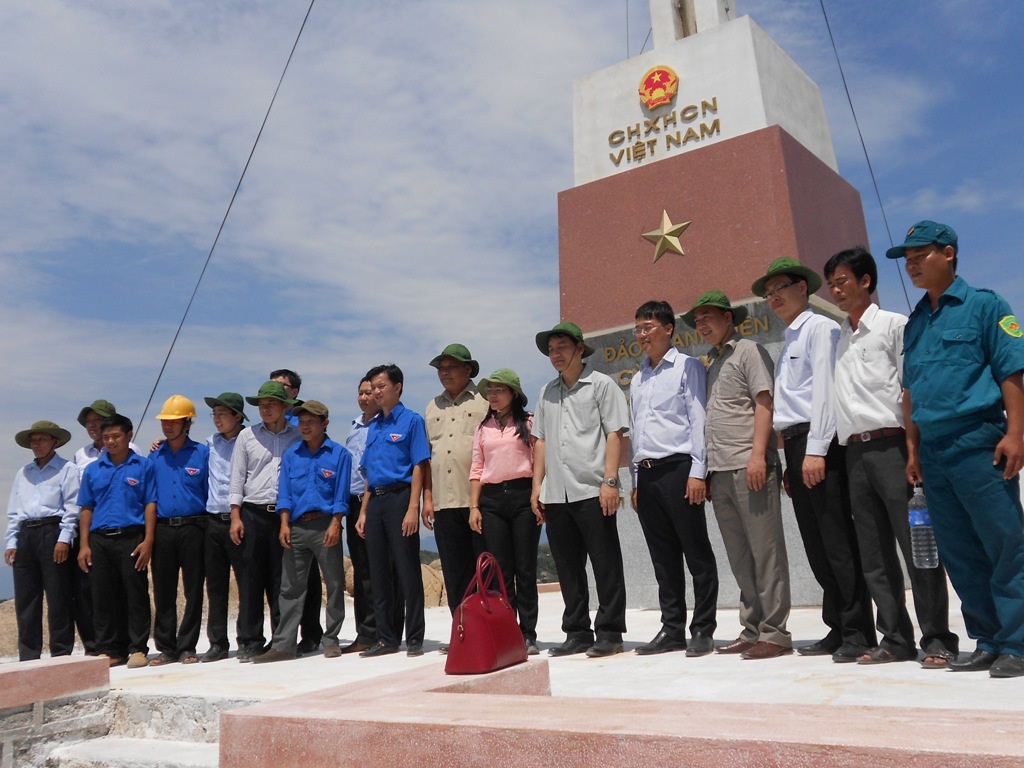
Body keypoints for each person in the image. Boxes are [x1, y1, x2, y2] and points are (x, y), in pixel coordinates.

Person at [889, 220, 1024, 678]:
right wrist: (913, 450)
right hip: (934, 452)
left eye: (919, 254)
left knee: (1005, 543)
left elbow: (1011, 372)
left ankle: (1018, 643)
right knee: (960, 552)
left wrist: (1017, 433)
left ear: (948, 253)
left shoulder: (985, 306)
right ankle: (987, 640)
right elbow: (911, 393)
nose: (910, 264)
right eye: (905, 258)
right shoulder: (915, 324)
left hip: (978, 442)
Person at [825, 246, 959, 669]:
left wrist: (913, 449)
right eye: (831, 283)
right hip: (855, 454)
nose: (835, 289)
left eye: (842, 280)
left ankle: (937, 638)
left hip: (893, 447)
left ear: (866, 281)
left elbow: (909, 388)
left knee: (917, 546)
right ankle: (896, 638)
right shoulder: (839, 336)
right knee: (874, 553)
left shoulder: (894, 326)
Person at [751, 257, 876, 662]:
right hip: (797, 445)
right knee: (817, 544)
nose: (774, 299)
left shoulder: (819, 329)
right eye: (769, 294)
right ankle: (838, 625)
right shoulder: (791, 337)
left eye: (780, 289)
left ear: (803, 288)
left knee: (837, 541)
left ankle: (859, 631)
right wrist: (793, 458)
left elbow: (824, 392)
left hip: (818, 442)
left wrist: (818, 450)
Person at [684, 291, 793, 659]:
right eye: (697, 320)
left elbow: (764, 401)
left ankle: (775, 633)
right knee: (740, 557)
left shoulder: (749, 351)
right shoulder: (711, 362)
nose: (702, 324)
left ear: (729, 318)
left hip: (751, 467)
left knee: (766, 552)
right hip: (720, 471)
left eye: (708, 316)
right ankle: (752, 629)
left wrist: (759, 455)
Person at [531, 321, 629, 658]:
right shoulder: (546, 392)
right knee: (568, 567)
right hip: (557, 494)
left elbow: (615, 433)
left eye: (561, 347)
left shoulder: (601, 385)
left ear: (580, 349)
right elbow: (540, 441)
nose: (555, 354)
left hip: (592, 489)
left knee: (605, 563)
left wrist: (610, 481)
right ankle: (577, 632)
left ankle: (610, 631)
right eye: (551, 350)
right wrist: (537, 487)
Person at [628, 301, 719, 657]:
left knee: (696, 553)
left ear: (668, 329)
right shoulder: (638, 379)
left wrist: (699, 471)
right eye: (638, 328)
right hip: (647, 476)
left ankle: (703, 629)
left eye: (648, 326)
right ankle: (672, 629)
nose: (642, 335)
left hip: (680, 470)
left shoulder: (688, 367)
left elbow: (698, 421)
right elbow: (636, 434)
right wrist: (636, 482)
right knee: (663, 559)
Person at [254, 401, 351, 662]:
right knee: (290, 588)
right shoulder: (292, 455)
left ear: (325, 424)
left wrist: (335, 524)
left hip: (325, 525)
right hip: (296, 526)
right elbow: (284, 493)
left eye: (311, 421)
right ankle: (284, 645)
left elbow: (341, 495)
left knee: (333, 583)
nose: (305, 426)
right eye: (301, 421)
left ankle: (331, 640)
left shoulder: (340, 455)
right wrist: (284, 523)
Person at [355, 364, 430, 658]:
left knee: (407, 569)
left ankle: (414, 637)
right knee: (379, 572)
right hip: (376, 502)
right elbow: (370, 475)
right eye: (372, 387)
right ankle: (387, 638)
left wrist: (414, 508)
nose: (375, 392)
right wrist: (363, 512)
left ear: (398, 387)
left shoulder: (411, 421)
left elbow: (420, 465)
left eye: (381, 386)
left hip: (401, 498)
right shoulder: (374, 426)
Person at [469, 368, 542, 655]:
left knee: (525, 568)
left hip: (524, 496)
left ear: (513, 393)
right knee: (500, 571)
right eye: (490, 390)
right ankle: (507, 630)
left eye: (499, 389)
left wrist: (538, 494)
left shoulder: (529, 421)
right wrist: (474, 506)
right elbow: (477, 468)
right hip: (492, 500)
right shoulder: (482, 427)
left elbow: (538, 462)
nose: (493, 395)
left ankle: (528, 633)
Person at [227, 381, 301, 662]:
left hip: (284, 516)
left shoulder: (296, 436)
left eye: (272, 404)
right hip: (252, 513)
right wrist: (235, 516)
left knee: (282, 580)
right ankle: (250, 639)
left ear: (285, 406)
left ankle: (282, 640)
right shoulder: (247, 436)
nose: (265, 409)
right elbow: (237, 478)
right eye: (261, 404)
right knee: (250, 579)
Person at [76, 413, 156, 668]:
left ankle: (137, 648)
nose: (110, 441)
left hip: (132, 537)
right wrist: (84, 545)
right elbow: (86, 508)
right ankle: (110, 649)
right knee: (102, 596)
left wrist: (149, 541)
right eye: (106, 437)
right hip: (100, 539)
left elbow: (150, 504)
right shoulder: (92, 470)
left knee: (135, 594)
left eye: (116, 436)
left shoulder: (143, 466)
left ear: (129, 436)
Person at [423, 344, 488, 639]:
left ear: (468, 370)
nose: (445, 372)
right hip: (444, 503)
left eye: (451, 367)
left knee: (485, 569)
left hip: (479, 501)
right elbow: (426, 457)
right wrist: (427, 499)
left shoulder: (485, 400)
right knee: (455, 572)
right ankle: (464, 633)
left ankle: (490, 631)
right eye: (441, 368)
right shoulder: (432, 406)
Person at [5, 421, 79, 661]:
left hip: (52, 531)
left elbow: (72, 507)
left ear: (54, 442)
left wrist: (64, 539)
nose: (36, 445)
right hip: (26, 534)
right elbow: (15, 510)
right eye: (33, 441)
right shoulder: (23, 472)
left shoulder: (66, 469)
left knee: (58, 596)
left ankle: (60, 652)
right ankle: (28, 655)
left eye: (42, 439)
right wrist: (11, 542)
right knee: (26, 598)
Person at [72, 398, 139, 655]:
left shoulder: (133, 451)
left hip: (128, 531)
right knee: (97, 594)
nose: (93, 426)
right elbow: (83, 501)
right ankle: (104, 647)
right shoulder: (81, 456)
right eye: (89, 422)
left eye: (98, 421)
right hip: (96, 532)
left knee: (129, 592)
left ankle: (133, 645)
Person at [343, 376, 404, 654]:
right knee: (363, 571)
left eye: (371, 392)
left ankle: (389, 630)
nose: (366, 397)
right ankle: (366, 633)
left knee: (388, 569)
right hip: (355, 503)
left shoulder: (386, 423)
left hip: (382, 500)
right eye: (361, 393)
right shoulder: (354, 428)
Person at [148, 395, 210, 666]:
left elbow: (210, 490)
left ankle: (188, 646)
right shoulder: (154, 456)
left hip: (194, 527)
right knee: (163, 590)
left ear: (188, 423)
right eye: (165, 422)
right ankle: (167, 647)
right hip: (163, 529)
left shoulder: (202, 453)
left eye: (174, 422)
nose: (168, 427)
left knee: (193, 589)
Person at [269, 368, 324, 656]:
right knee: (278, 578)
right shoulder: (259, 429)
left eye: (283, 386)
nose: (276, 391)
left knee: (308, 576)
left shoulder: (300, 428)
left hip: (302, 511)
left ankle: (311, 633)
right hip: (268, 509)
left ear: (294, 392)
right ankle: (280, 635)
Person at [200, 392, 247, 662]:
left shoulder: (249, 440)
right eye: (214, 415)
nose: (217, 420)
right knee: (215, 586)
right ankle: (217, 642)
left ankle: (246, 639)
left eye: (222, 414)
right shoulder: (210, 444)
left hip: (238, 519)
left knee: (245, 583)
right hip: (212, 520)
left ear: (237, 417)